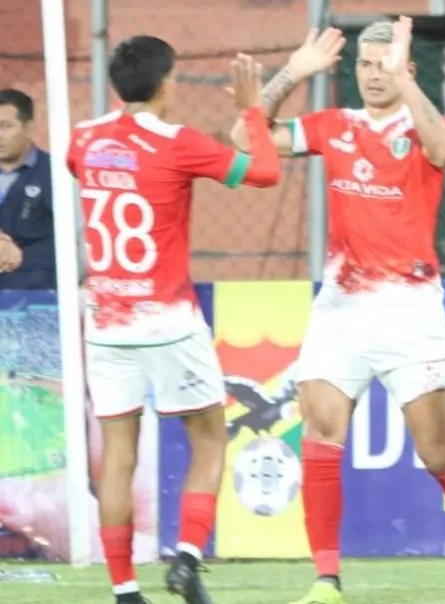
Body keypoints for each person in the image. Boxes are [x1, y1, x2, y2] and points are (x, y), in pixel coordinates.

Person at [229, 18, 445, 604]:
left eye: (384, 65)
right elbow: (246, 137)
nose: (372, 75)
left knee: (436, 452)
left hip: (410, 312)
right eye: (364, 64)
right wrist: (291, 74)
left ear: (405, 68)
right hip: (341, 308)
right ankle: (325, 581)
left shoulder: (424, 126)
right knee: (321, 434)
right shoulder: (335, 125)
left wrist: (407, 81)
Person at [67, 37, 281, 604]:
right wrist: (251, 110)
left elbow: (79, 167)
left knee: (118, 455)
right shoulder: (179, 142)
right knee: (208, 439)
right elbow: (264, 172)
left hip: (107, 321)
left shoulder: (83, 139)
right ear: (168, 82)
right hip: (168, 321)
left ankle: (124, 590)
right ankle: (186, 558)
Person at [0, 89, 56, 289]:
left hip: (35, 290)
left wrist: (20, 256)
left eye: (5, 126)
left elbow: (72, 243)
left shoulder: (54, 174)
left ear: (28, 127)